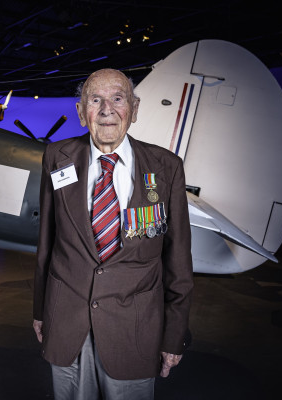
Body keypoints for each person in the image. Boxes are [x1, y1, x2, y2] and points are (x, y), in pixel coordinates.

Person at [32, 69, 193, 400]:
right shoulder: (56, 158)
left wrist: (174, 334)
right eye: (95, 100)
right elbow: (46, 245)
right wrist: (40, 310)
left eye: (117, 99)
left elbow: (177, 260)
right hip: (66, 324)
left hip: (134, 330)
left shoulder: (167, 168)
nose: (107, 110)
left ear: (134, 108)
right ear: (81, 112)